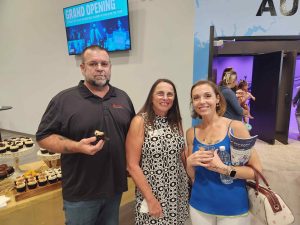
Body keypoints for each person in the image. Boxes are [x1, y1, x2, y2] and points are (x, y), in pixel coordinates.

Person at [36, 45, 135, 225]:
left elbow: (132, 137)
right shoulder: (64, 100)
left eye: (104, 63)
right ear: (82, 68)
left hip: (114, 188)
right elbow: (43, 136)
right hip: (81, 193)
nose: (99, 68)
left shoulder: (122, 98)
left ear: (110, 67)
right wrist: (76, 146)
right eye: (93, 63)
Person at [186, 80, 262, 225]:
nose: (202, 101)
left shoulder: (236, 127)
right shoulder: (191, 133)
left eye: (207, 96)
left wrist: (225, 168)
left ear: (217, 99)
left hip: (233, 208)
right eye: (196, 98)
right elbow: (193, 176)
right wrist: (189, 163)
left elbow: (257, 172)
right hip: (199, 205)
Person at [126, 79, 189, 225]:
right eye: (160, 93)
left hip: (177, 190)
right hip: (153, 191)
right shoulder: (140, 121)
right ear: (152, 97)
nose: (166, 98)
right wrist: (151, 199)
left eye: (170, 94)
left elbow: (182, 154)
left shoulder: (175, 121)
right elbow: (132, 165)